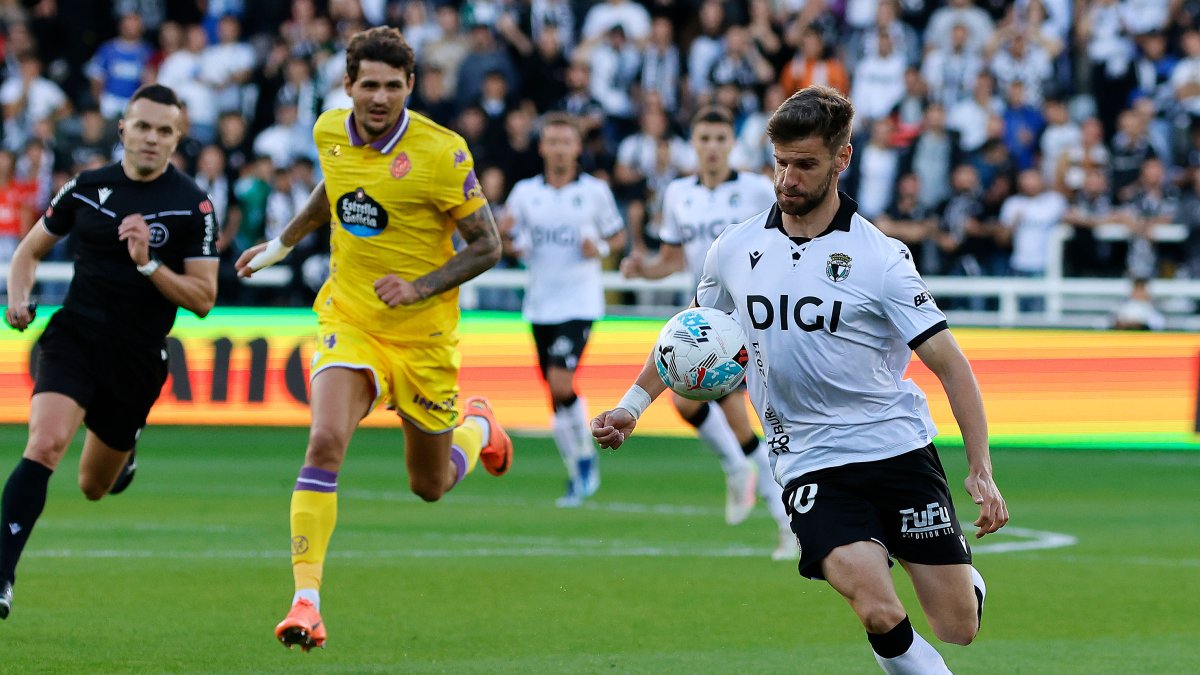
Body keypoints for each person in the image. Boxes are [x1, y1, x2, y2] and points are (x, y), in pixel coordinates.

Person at [592, 86, 1009, 674]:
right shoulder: (733, 249)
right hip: (806, 458)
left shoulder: (881, 259)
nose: (787, 178)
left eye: (805, 164)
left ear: (842, 159)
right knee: (874, 605)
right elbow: (690, 336)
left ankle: (966, 584)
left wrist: (981, 470)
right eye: (780, 162)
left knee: (955, 626)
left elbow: (951, 365)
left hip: (895, 448)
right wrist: (633, 405)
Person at [234, 26, 512, 652]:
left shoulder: (443, 153)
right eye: (369, 86)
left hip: (424, 340)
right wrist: (281, 245)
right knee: (326, 439)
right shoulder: (330, 131)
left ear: (410, 86)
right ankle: (306, 602)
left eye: (393, 86)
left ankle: (480, 428)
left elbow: (488, 245)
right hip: (350, 320)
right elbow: (332, 192)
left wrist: (421, 287)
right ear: (348, 86)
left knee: (429, 486)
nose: (380, 97)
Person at [0, 84, 219, 619]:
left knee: (94, 486)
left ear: (177, 138)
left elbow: (204, 299)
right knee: (45, 445)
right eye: (143, 126)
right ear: (123, 128)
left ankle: (126, 451)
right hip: (75, 336)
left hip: (137, 358)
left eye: (165, 131)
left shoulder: (194, 204)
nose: (152, 138)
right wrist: (19, 298)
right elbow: (29, 251)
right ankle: (1, 574)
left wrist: (148, 263)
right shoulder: (85, 187)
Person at [620, 106, 795, 560]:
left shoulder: (757, 189)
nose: (713, 147)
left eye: (720, 138)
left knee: (744, 419)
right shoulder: (678, 194)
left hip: (750, 319)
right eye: (704, 139)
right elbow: (673, 261)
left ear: (730, 144)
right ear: (693, 144)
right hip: (701, 319)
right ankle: (749, 479)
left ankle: (777, 511)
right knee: (687, 401)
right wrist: (644, 269)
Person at [501, 113, 625, 507]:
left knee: (560, 382)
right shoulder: (524, 193)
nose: (558, 149)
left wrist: (600, 249)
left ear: (577, 148)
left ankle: (587, 459)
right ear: (541, 147)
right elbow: (507, 236)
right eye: (551, 141)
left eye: (565, 142)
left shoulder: (593, 192)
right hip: (539, 304)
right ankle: (577, 469)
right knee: (554, 398)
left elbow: (617, 235)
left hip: (579, 301)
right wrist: (511, 243)